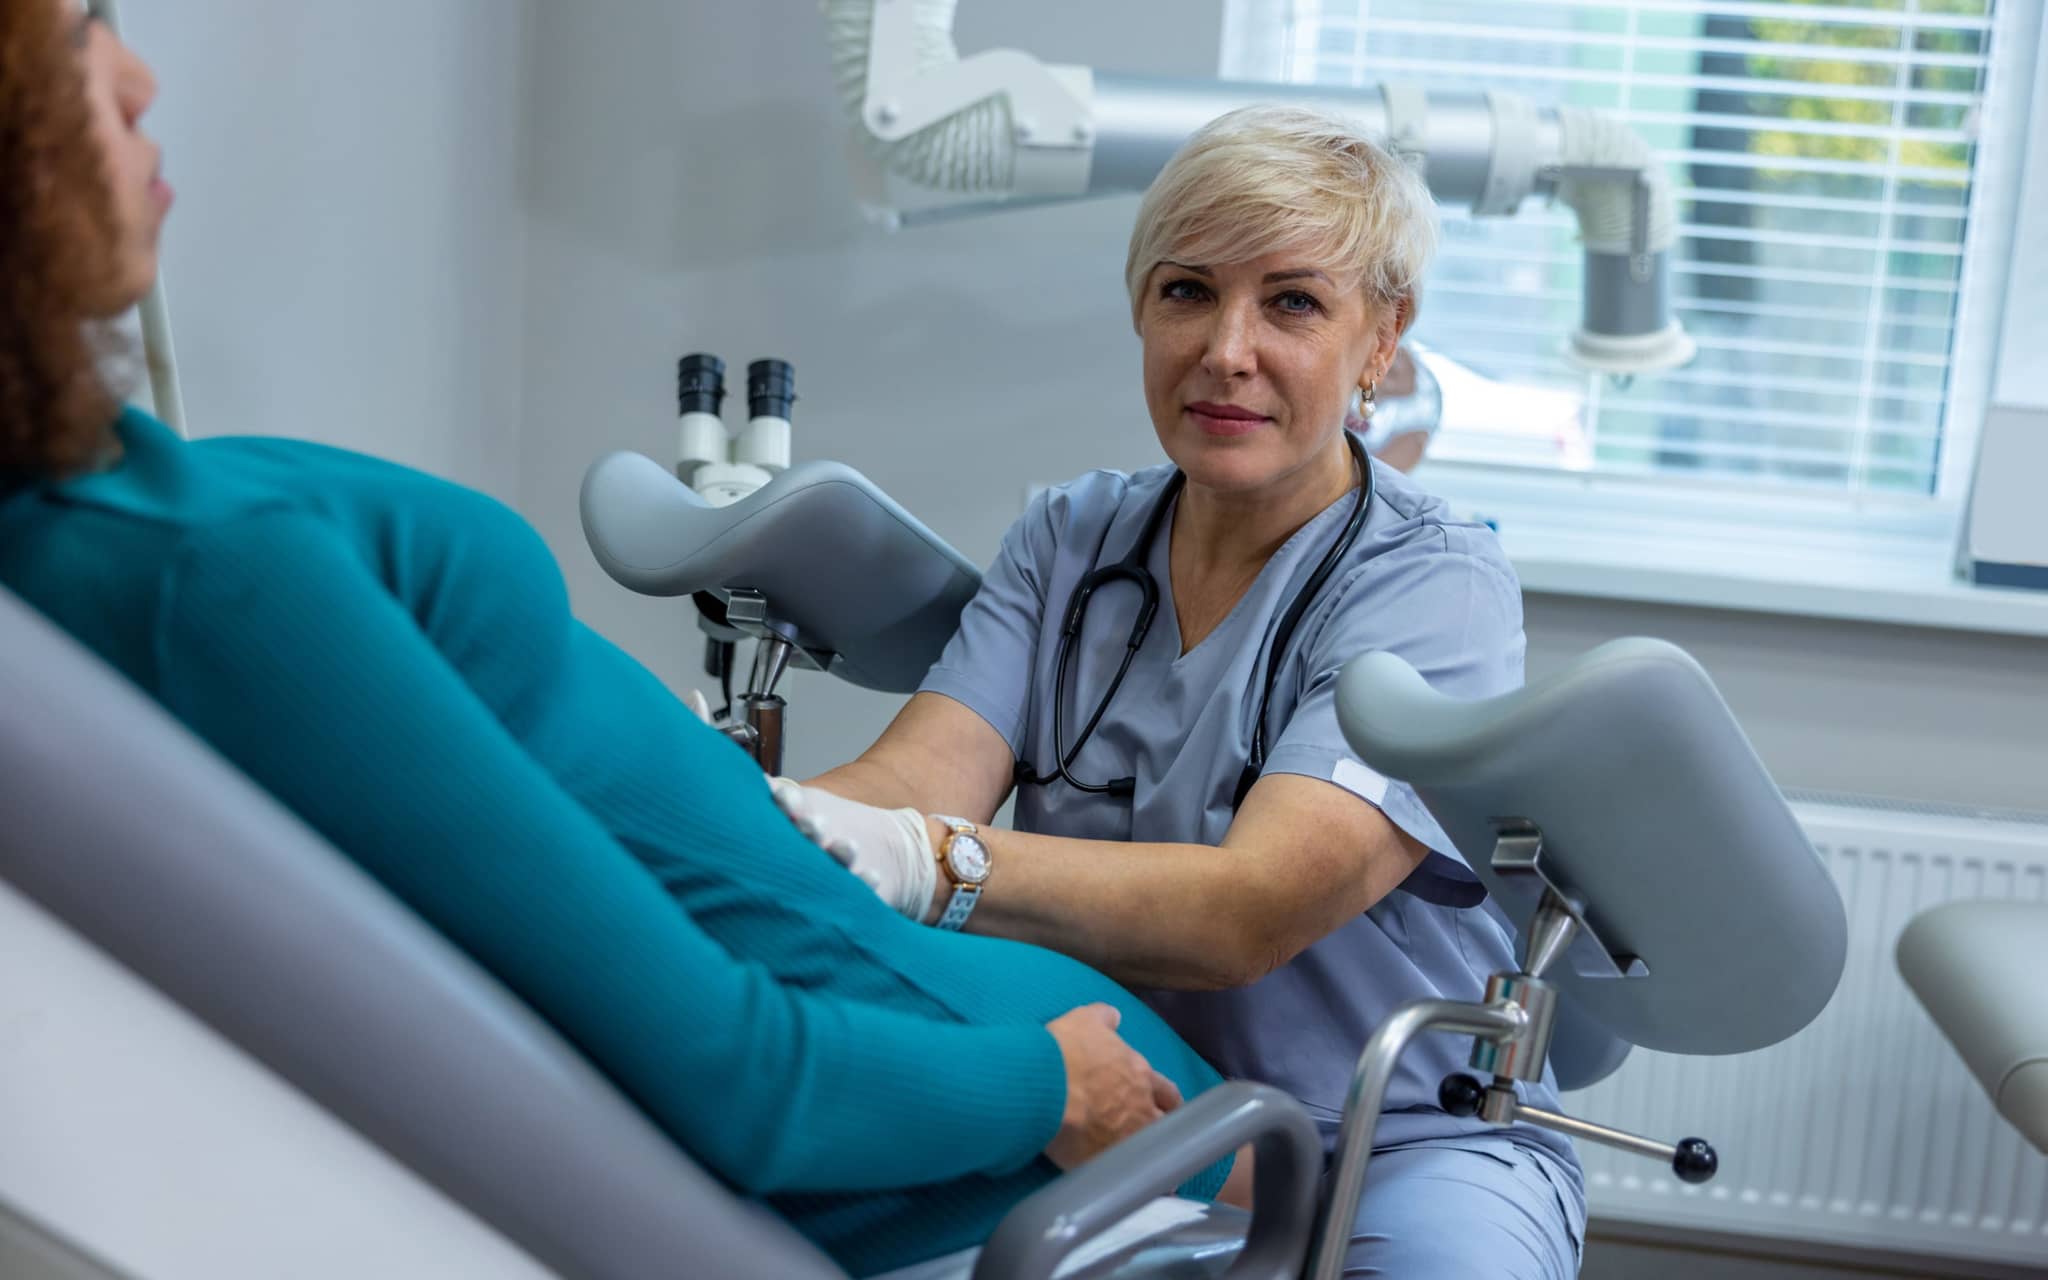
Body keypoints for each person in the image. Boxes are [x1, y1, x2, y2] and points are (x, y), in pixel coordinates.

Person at [0, 6, 1241, 1275]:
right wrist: (1049, 1084)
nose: (140, 79)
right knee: (1312, 1160)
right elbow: (744, 1075)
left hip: (918, 1010)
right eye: (77, 33)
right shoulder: (207, 578)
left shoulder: (97, 521)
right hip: (956, 1100)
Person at [775, 107, 1586, 1277]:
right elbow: (910, 782)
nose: (1225, 349)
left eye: (1292, 302)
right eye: (1187, 291)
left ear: (1381, 338)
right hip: (1125, 1103)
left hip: (1396, 1137)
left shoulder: (1432, 579)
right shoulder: (1070, 536)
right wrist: (761, 822)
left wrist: (924, 858)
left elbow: (1248, 909)